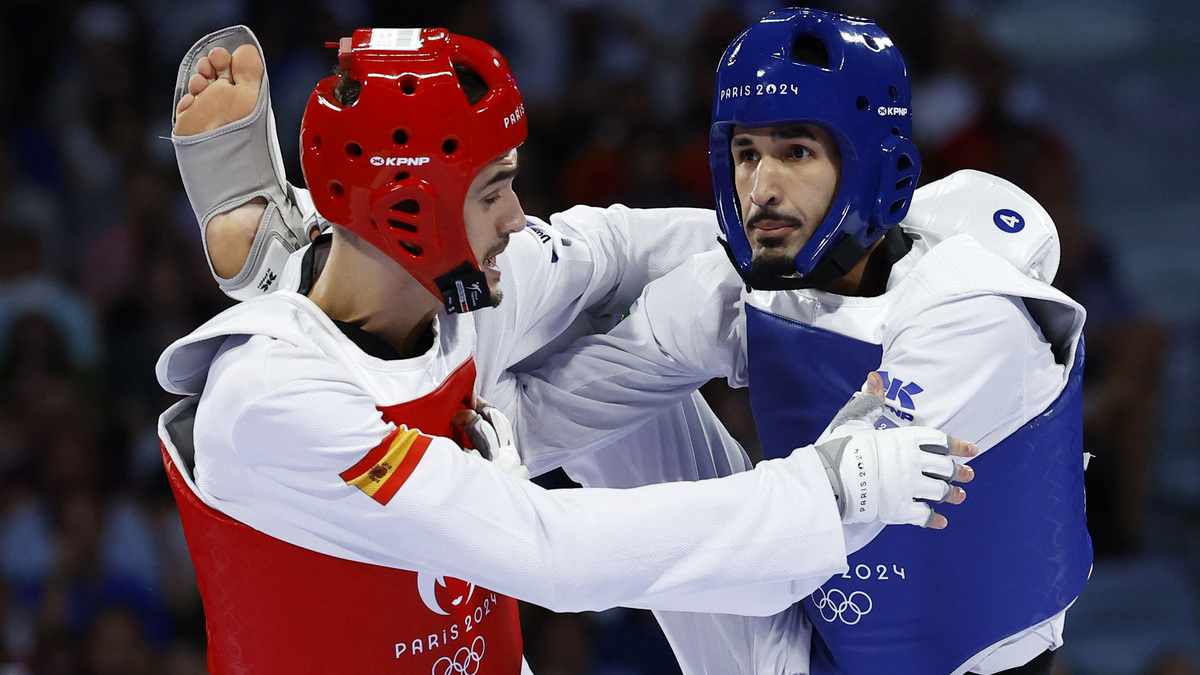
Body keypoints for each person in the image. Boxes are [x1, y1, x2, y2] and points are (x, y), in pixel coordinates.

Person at [158, 25, 975, 674]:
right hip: (387, 493)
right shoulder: (271, 399)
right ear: (409, 212)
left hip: (485, 636)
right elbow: (556, 554)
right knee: (517, 452)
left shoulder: (468, 292)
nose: (517, 216)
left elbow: (607, 246)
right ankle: (284, 248)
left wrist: (820, 248)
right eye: (493, 188)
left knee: (604, 327)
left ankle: (290, 239)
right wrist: (830, 489)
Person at [496, 8, 1091, 675]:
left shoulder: (971, 316)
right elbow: (576, 394)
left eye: (796, 152)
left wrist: (535, 545)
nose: (762, 187)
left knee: (784, 519)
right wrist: (451, 462)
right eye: (746, 153)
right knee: (566, 359)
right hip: (796, 646)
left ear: (873, 163)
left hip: (945, 659)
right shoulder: (747, 283)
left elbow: (788, 543)